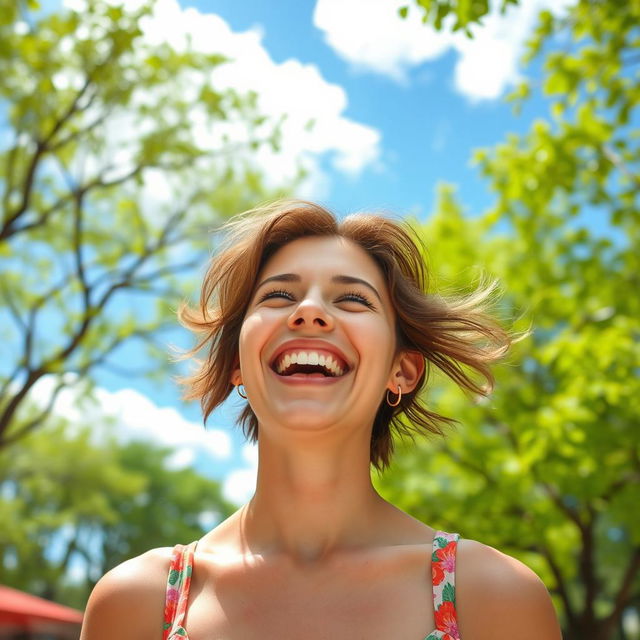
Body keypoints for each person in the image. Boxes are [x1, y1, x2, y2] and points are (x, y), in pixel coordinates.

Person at [80, 200, 562, 639]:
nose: (309, 311)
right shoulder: (134, 603)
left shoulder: (495, 597)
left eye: (352, 299)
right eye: (278, 297)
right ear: (237, 366)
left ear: (402, 371)